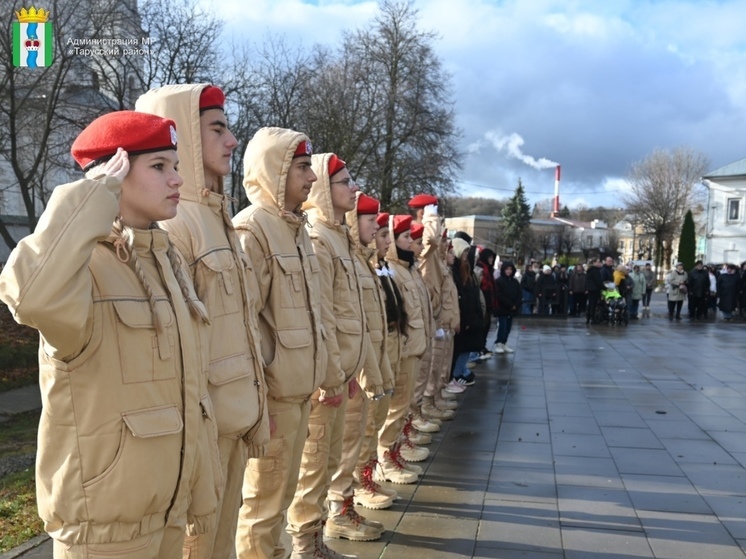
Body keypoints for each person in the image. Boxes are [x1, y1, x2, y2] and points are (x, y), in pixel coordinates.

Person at [0, 112, 218, 559]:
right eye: (159, 166)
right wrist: (91, 197)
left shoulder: (165, 264)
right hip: (104, 528)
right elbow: (29, 295)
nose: (177, 179)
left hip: (167, 510)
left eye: (175, 166)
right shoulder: (83, 269)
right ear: (111, 173)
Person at [136, 83, 269, 559]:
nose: (232, 140)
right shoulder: (175, 224)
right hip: (202, 434)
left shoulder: (218, 220)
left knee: (221, 546)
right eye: (218, 129)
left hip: (234, 420)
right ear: (185, 138)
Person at [232, 128, 326, 559]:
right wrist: (259, 404)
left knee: (281, 499)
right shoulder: (253, 229)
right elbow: (243, 323)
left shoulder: (296, 230)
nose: (312, 178)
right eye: (303, 168)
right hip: (273, 400)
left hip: (298, 394)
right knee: (261, 507)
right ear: (277, 170)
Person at [377, 215, 428, 484]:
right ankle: (385, 459)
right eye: (405, 237)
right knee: (395, 409)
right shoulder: (394, 271)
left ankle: (393, 451)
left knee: (402, 406)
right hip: (403, 350)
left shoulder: (405, 269)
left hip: (411, 348)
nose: (411, 242)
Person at [450, 236, 485, 385]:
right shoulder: (454, 271)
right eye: (463, 253)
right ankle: (456, 374)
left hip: (469, 316)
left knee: (465, 349)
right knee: (459, 350)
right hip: (463, 317)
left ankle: (458, 373)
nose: (466, 257)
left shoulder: (466, 270)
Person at [493, 261, 521, 354]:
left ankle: (504, 342)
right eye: (507, 269)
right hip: (503, 308)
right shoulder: (499, 281)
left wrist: (515, 305)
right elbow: (499, 295)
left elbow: (519, 294)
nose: (508, 271)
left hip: (512, 308)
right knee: (502, 326)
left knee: (508, 327)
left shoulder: (515, 281)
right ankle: (499, 343)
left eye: (510, 269)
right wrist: (510, 304)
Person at [585, 258, 603, 325]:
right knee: (593, 304)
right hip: (595, 289)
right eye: (598, 262)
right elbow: (598, 281)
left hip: (590, 289)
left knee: (590, 304)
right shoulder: (595, 271)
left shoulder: (590, 270)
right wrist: (604, 287)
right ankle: (592, 318)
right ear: (594, 263)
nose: (599, 263)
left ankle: (588, 317)